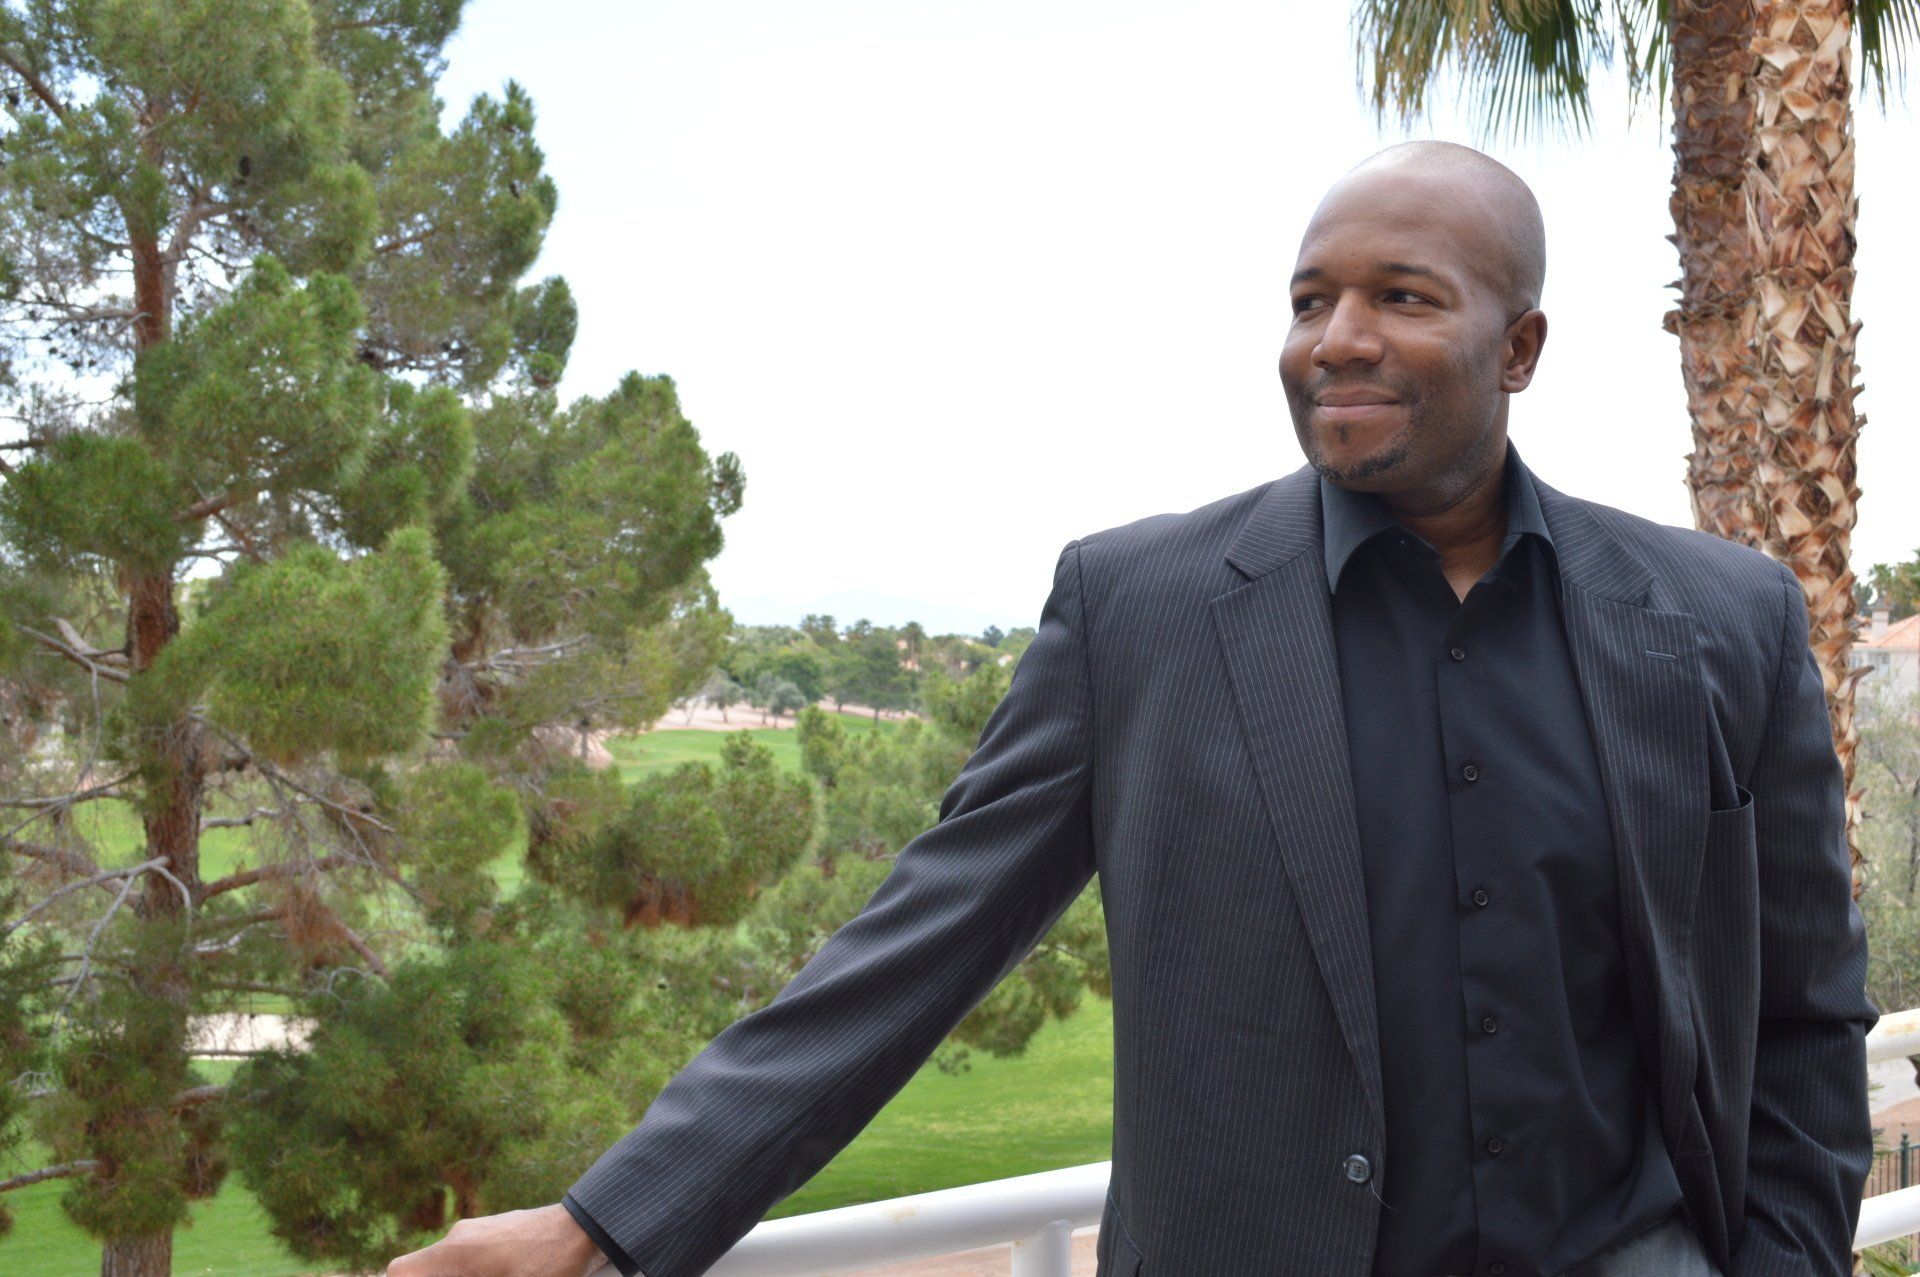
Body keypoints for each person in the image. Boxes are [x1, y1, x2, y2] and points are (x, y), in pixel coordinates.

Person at [386, 141, 1877, 1277]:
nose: (1335, 339)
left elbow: (1802, 1018)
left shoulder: (1717, 621)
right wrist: (607, 1226)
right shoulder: (1141, 613)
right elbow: (913, 950)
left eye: (1404, 298)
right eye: (1311, 300)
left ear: (1523, 347)